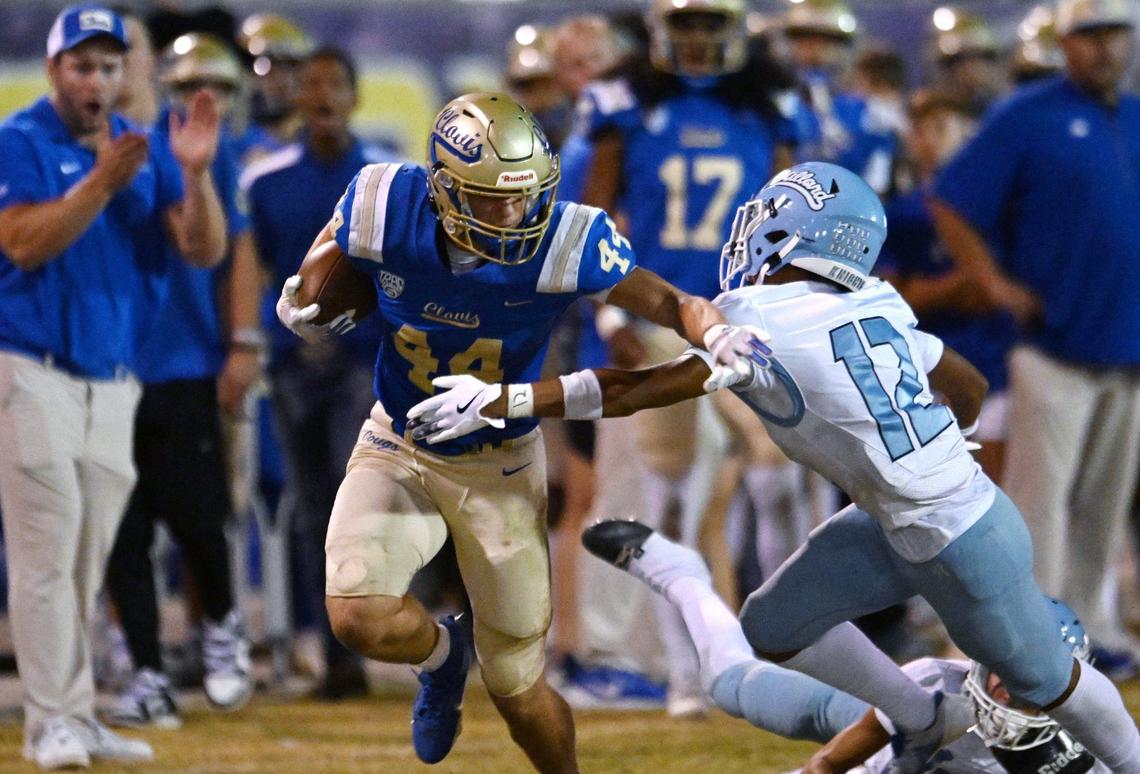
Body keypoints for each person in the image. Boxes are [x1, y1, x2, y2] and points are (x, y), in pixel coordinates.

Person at [408, 161, 1140, 771]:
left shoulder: (760, 319)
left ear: (794, 232)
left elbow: (634, 390)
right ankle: (923, 719)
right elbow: (970, 386)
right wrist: (941, 449)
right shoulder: (876, 298)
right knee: (776, 622)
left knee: (1050, 681)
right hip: (915, 515)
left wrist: (506, 401)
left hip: (959, 538)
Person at [274, 92, 768, 770]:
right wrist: (302, 301)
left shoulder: (568, 239)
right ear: (443, 188)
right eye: (490, 198)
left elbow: (670, 302)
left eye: (525, 195)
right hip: (400, 436)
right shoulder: (382, 201)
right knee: (355, 612)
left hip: (499, 460)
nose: (514, 213)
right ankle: (443, 657)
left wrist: (716, 329)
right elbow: (317, 274)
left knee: (516, 686)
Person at [0, 4, 226, 768]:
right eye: (80, 65)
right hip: (32, 367)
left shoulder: (147, 147)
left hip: (114, 378)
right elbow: (24, 244)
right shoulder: (20, 139)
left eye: (107, 65)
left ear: (124, 71)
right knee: (46, 555)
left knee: (87, 559)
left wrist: (194, 175)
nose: (95, 79)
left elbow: (200, 249)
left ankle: (77, 714)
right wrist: (98, 184)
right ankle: (48, 725)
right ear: (54, 71)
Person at [577, 0, 798, 717]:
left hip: (745, 318)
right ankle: (684, 674)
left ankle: (793, 643)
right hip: (666, 318)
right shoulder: (625, 104)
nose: (699, 40)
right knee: (673, 497)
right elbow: (594, 223)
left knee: (781, 478)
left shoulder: (769, 105)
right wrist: (610, 310)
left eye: (712, 25)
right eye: (688, 25)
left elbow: (791, 220)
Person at [930, 0, 1140, 677]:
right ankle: (1032, 635)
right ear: (1065, 44)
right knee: (1039, 504)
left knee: (1102, 506)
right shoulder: (1028, 113)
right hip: (1052, 341)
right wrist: (990, 282)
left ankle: (1092, 624)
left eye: (1114, 35)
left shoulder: (1134, 116)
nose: (1104, 50)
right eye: (1089, 37)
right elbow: (951, 199)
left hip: (1127, 342)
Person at [579, 520, 1107, 774]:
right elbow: (827, 768)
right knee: (729, 683)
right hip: (899, 729)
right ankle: (677, 572)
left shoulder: (1097, 748)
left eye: (1033, 680)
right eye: (1011, 670)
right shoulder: (938, 699)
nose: (1014, 690)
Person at [104, 31, 258, 729]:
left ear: (147, 65)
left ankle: (223, 633)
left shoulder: (191, 138)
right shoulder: (52, 142)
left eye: (124, 53)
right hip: (97, 365)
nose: (113, 69)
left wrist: (243, 343)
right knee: (120, 534)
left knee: (198, 519)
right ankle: (144, 670)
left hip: (181, 359)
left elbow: (227, 250)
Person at [242, 46, 393, 701]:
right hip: (294, 362)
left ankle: (362, 642)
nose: (324, 96)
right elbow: (255, 267)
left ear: (355, 95)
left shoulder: (386, 177)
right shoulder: (267, 179)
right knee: (311, 509)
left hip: (365, 360)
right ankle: (335, 652)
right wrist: (250, 341)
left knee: (352, 503)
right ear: (296, 97)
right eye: (313, 85)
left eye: (336, 83)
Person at [876, 90, 1013, 482]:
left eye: (941, 128)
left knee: (991, 489)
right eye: (920, 130)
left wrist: (936, 289)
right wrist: (962, 283)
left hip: (993, 364)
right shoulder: (901, 213)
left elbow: (993, 294)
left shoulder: (998, 207)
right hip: (923, 369)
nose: (929, 140)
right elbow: (892, 298)